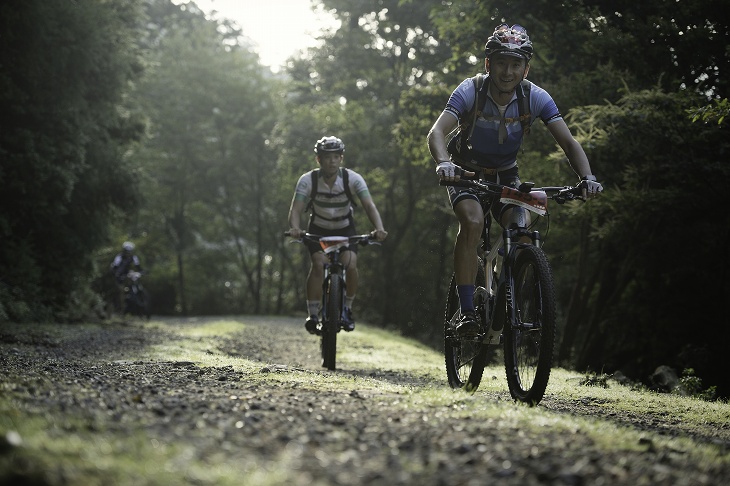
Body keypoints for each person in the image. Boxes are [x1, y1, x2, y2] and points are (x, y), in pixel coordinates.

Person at [426, 23, 603, 336]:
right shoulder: (471, 89)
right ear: (489, 64)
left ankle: (507, 297)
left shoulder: (535, 97)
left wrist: (586, 177)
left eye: (516, 64)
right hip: (466, 172)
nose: (508, 71)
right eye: (502, 63)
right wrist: (443, 163)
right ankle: (468, 311)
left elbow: (569, 142)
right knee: (473, 221)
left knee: (521, 232)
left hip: (507, 173)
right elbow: (437, 132)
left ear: (526, 68)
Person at [288, 136, 388, 334]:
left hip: (345, 230)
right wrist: (295, 228)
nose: (331, 161)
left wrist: (379, 228)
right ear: (319, 160)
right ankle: (313, 314)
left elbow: (369, 205)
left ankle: (348, 309)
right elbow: (296, 209)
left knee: (350, 265)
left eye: (336, 157)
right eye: (327, 157)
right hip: (318, 230)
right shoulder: (307, 181)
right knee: (318, 265)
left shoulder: (353, 179)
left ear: (341, 158)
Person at [110, 241, 142, 312]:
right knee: (121, 292)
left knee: (133, 278)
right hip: (119, 276)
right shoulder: (119, 257)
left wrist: (141, 271)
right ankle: (121, 309)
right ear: (124, 251)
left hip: (128, 274)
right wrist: (116, 274)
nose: (128, 253)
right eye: (127, 251)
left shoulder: (133, 257)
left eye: (130, 252)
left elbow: (138, 266)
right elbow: (114, 266)